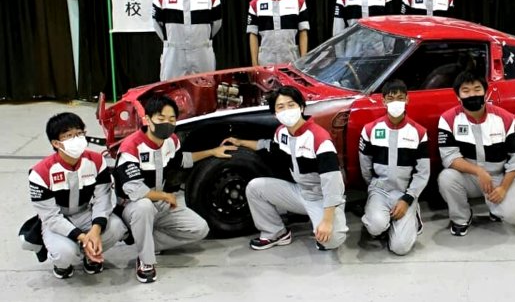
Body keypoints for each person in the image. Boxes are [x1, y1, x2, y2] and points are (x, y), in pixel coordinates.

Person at [114, 95, 235, 283]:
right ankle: (145, 261)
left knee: (199, 229)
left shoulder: (171, 140)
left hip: (160, 203)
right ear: (147, 120)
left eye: (172, 120)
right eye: (161, 119)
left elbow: (181, 160)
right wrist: (164, 195)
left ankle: (145, 241)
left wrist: (212, 152)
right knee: (144, 205)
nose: (167, 124)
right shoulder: (131, 147)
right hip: (132, 206)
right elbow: (135, 190)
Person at [225, 86, 348, 251]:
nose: (287, 110)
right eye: (280, 107)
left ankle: (331, 215)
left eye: (291, 105)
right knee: (255, 188)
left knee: (331, 240)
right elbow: (268, 147)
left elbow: (333, 184)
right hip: (300, 192)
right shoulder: (281, 133)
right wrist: (241, 143)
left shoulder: (319, 139)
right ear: (275, 113)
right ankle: (275, 233)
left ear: (302, 107)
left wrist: (326, 220)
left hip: (323, 197)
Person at [28, 113, 127, 279]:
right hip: (58, 219)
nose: (77, 138)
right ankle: (62, 264)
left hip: (85, 212)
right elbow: (50, 217)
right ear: (56, 143)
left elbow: (103, 199)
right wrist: (82, 237)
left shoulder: (96, 161)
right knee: (65, 253)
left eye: (79, 133)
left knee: (117, 227)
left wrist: (95, 231)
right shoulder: (40, 173)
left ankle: (91, 257)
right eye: (68, 136)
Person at [437, 71, 515, 236]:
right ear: (458, 96)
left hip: (499, 177)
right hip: (469, 176)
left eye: (477, 89)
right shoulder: (448, 119)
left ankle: (496, 209)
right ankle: (462, 217)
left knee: (513, 215)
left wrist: (503, 189)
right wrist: (478, 171)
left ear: (486, 91)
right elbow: (449, 157)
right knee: (446, 177)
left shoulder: (505, 119)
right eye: (466, 91)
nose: (472, 94)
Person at [359, 79, 430, 255]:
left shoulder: (419, 132)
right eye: (390, 98)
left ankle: (412, 213)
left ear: (407, 100)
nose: (395, 102)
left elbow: (423, 172)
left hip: (405, 191)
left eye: (400, 98)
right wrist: (374, 188)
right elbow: (365, 166)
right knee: (375, 227)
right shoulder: (370, 130)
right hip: (380, 190)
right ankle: (383, 219)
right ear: (383, 101)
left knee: (400, 248)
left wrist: (408, 199)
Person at [152, 0, 222, 81]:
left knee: (205, 89)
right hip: (173, 52)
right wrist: (171, 41)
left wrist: (202, 40)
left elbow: (216, 23)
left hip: (202, 51)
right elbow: (157, 24)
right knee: (171, 91)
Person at [246, 0, 310, 66]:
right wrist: (254, 63)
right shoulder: (255, 3)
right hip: (265, 60)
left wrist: (303, 59)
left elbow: (303, 32)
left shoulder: (298, 1)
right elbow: (253, 34)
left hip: (292, 59)